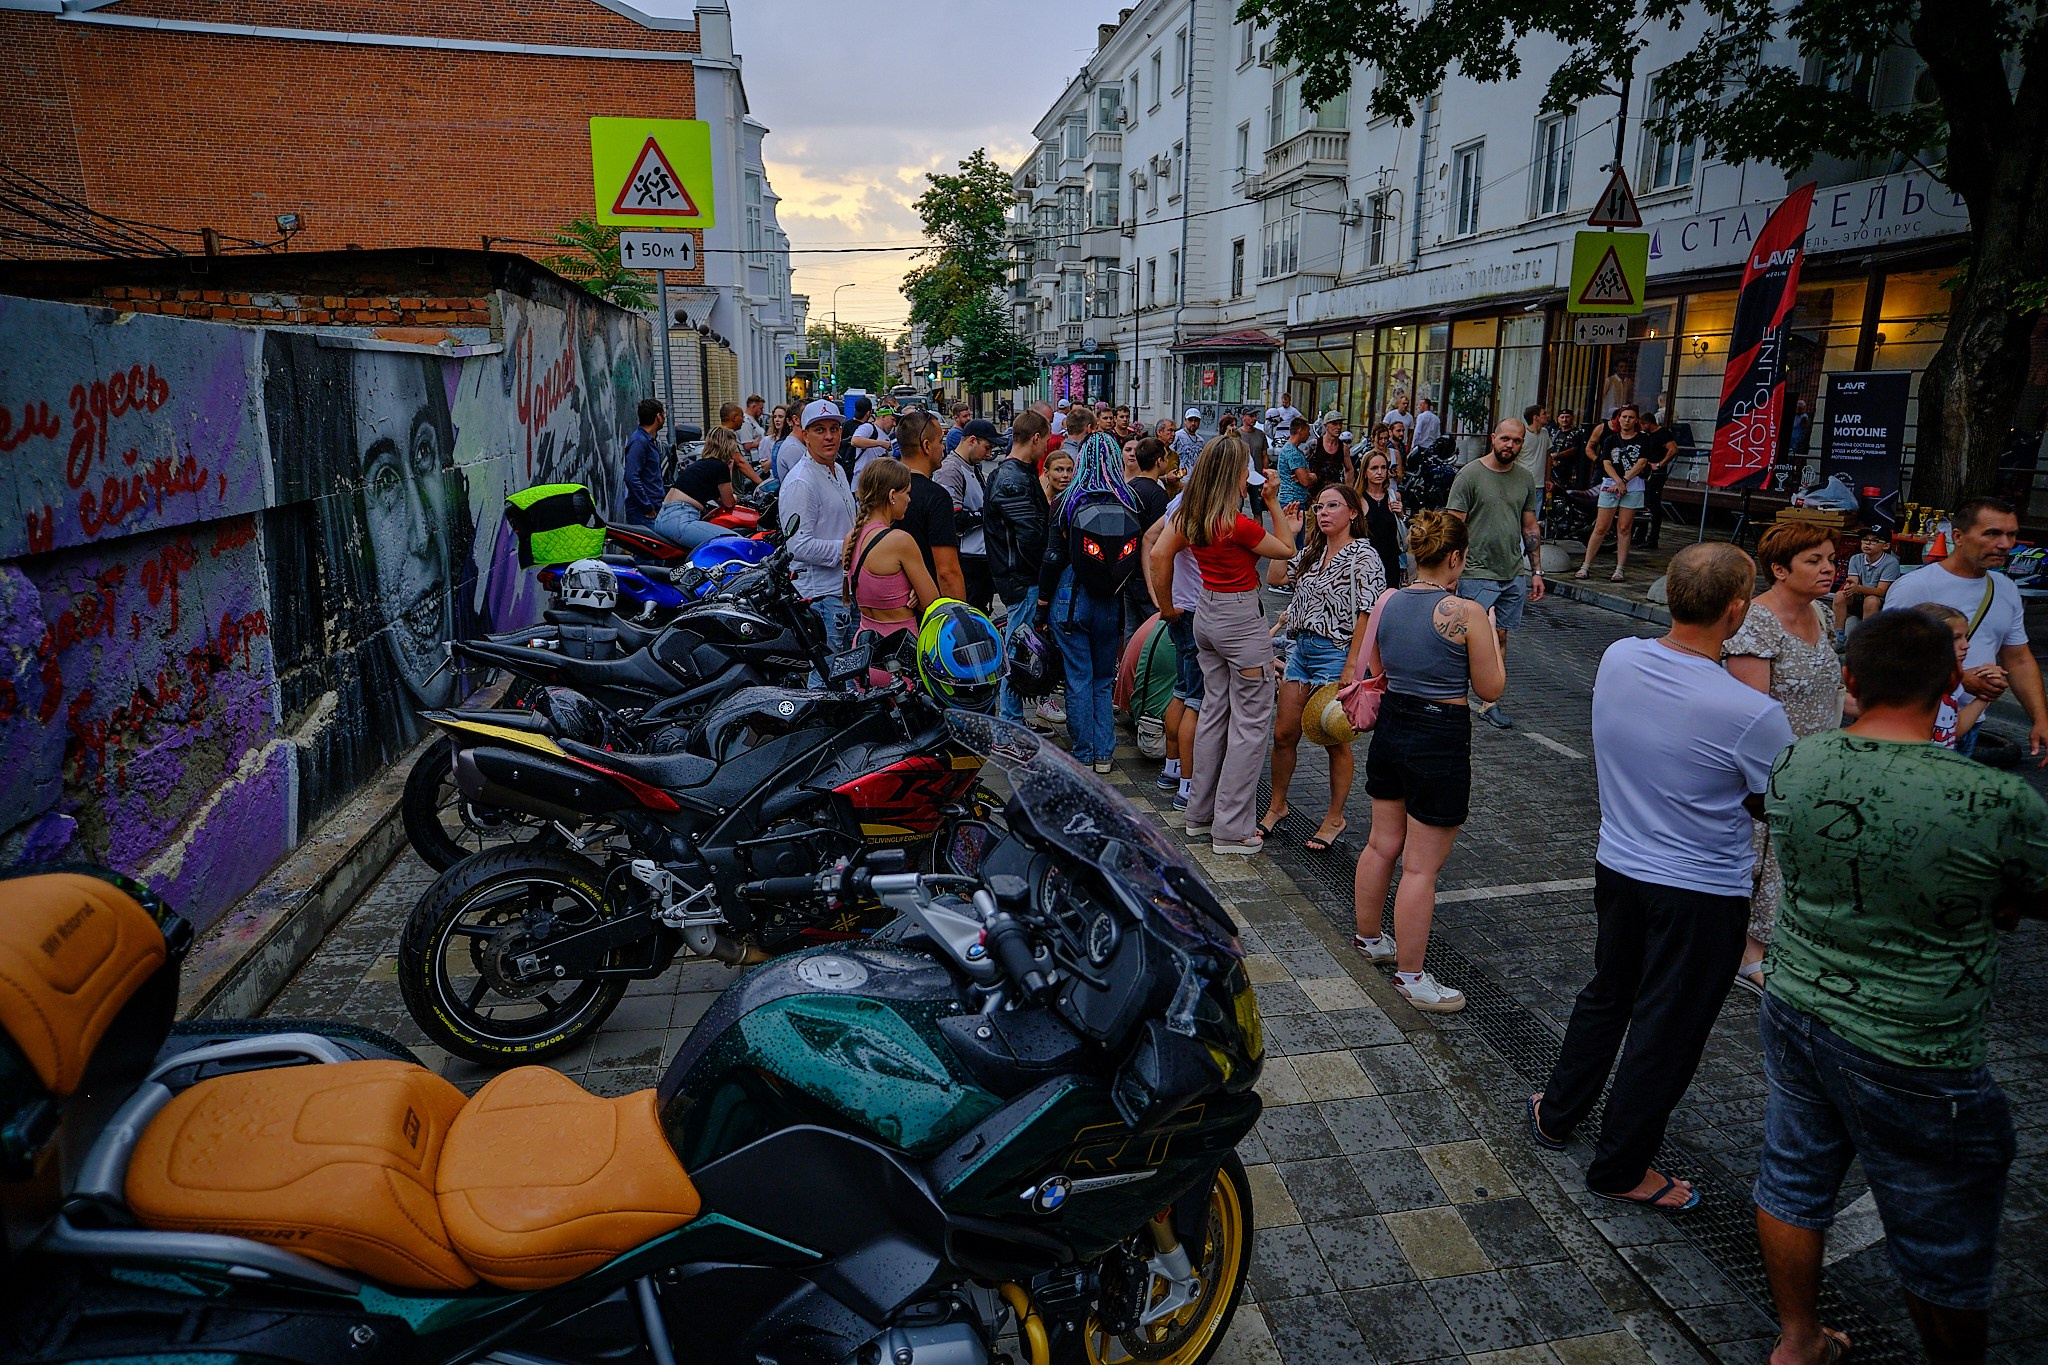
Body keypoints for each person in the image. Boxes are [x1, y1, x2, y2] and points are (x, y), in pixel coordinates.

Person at [1756, 609, 2048, 1365]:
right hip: (1917, 1043)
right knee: (1941, 1233)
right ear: (1952, 680)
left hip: (1796, 1003)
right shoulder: (1993, 800)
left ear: (1850, 680)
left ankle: (1797, 1339)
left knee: (1792, 1178)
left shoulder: (1799, 763)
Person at [1532, 542, 1796, 1210]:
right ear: (1736, 610)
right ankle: (1621, 1167)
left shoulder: (1620, 656)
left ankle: (1557, 1110)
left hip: (1620, 865)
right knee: (1666, 1030)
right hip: (1702, 891)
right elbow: (1777, 800)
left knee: (1608, 993)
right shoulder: (1752, 713)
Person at [1347, 510, 1503, 1012]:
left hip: (1392, 724)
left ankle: (1370, 938)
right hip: (1440, 733)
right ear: (1456, 557)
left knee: (1380, 842)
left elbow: (1374, 668)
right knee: (1420, 868)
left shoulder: (1386, 601)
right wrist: (1494, 638)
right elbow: (1490, 688)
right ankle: (1412, 977)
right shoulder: (1467, 614)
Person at [1148, 436, 1296, 854]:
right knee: (1249, 725)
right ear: (1233, 476)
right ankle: (1231, 829)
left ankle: (1200, 813)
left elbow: (1159, 554)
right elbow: (1285, 549)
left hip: (1206, 615)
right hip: (1240, 617)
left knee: (1213, 712)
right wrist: (1273, 503)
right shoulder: (1237, 523)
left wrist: (1167, 606)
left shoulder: (1190, 514)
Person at [1723, 522, 1845, 995]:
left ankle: (1780, 940)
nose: (1828, 569)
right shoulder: (1755, 622)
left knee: (1795, 862)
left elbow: (1831, 692)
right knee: (1761, 861)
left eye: (1831, 560)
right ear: (1779, 569)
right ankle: (1748, 950)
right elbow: (1751, 713)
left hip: (1821, 759)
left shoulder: (1823, 613)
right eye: (1814, 561)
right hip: (1772, 766)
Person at [1263, 484, 1387, 851]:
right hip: (1301, 650)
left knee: (1334, 739)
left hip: (1336, 652)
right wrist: (1284, 527)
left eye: (1333, 506)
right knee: (1284, 733)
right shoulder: (1312, 552)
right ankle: (1278, 805)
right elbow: (1274, 578)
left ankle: (1335, 816)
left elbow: (1369, 611)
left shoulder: (1363, 556)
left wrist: (1353, 665)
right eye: (1319, 507)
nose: (1323, 512)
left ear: (1353, 513)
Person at [1886, 496, 2048, 762]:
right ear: (1958, 537)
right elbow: (1884, 662)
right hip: (1913, 729)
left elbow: (2018, 659)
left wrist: (2041, 720)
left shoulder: (2006, 588)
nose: (2005, 544)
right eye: (1992, 533)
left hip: (1970, 724)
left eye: (2012, 535)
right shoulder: (1915, 587)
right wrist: (1957, 678)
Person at [1035, 431, 1145, 773]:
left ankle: (1082, 753)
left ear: (1082, 462)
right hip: (1111, 602)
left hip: (1070, 599)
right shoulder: (1130, 501)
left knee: (1077, 678)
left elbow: (1052, 558)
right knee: (1102, 679)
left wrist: (1041, 606)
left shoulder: (1066, 502)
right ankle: (1104, 754)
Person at [1446, 419, 1544, 729]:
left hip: (1512, 570)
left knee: (1500, 634)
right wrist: (1451, 570)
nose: (1510, 445)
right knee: (1471, 635)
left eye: (1516, 441)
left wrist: (1537, 570)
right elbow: (1454, 527)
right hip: (1475, 569)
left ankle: (1490, 700)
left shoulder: (1525, 479)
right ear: (1493, 438)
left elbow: (1529, 527)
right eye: (1505, 439)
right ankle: (1453, 694)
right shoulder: (1470, 475)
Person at [987, 409, 1058, 726]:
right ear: (1036, 438)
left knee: (1018, 650)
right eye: (1045, 441)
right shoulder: (1012, 478)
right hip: (1022, 577)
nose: (1047, 449)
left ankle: (1012, 723)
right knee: (1019, 654)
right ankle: (1010, 728)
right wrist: (1045, 572)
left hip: (1018, 575)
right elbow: (1030, 536)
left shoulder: (1013, 473)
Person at [780, 399, 859, 653]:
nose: (829, 437)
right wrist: (846, 548)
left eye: (834, 429)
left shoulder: (837, 468)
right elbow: (798, 546)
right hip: (824, 595)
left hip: (845, 588)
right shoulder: (801, 482)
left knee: (849, 669)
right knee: (827, 673)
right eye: (819, 430)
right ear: (805, 435)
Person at [843, 458, 941, 649]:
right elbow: (932, 605)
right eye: (907, 493)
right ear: (892, 495)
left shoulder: (850, 538)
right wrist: (915, 593)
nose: (909, 499)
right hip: (899, 652)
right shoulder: (899, 541)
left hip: (864, 648)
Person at [894, 408, 968, 602]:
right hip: (926, 608)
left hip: (890, 602)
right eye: (940, 442)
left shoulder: (885, 489)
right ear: (926, 446)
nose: (943, 448)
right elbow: (947, 572)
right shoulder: (936, 497)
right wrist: (961, 618)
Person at [1575, 404, 1653, 580]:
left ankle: (1619, 568)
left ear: (1636, 420)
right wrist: (1618, 481)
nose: (1626, 420)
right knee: (1601, 526)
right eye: (1624, 417)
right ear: (1618, 419)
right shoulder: (1611, 439)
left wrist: (1624, 480)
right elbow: (1606, 462)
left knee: (1624, 528)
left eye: (1630, 417)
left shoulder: (1642, 439)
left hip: (1633, 484)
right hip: (1611, 482)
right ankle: (1585, 566)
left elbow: (1641, 462)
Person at [937, 418, 997, 612]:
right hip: (967, 559)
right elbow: (952, 519)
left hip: (979, 557)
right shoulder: (951, 469)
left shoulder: (972, 466)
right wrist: (986, 515)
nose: (988, 454)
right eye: (987, 448)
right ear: (972, 440)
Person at [1914, 603, 1993, 749]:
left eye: (1966, 636)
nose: (1966, 645)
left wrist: (1987, 693)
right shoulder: (1904, 684)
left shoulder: (1949, 681)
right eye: (1956, 638)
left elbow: (1952, 730)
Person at [653, 425, 740, 548]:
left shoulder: (701, 465)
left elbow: (719, 499)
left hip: (663, 518)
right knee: (735, 543)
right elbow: (729, 502)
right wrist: (730, 470)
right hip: (681, 518)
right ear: (729, 447)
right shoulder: (720, 467)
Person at [1833, 528, 1903, 640]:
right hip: (1859, 596)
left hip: (1880, 602)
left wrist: (1857, 588)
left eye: (1874, 541)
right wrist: (1850, 587)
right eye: (1865, 539)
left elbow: (1881, 591)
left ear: (1885, 546)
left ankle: (1865, 637)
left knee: (1871, 600)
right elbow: (1852, 582)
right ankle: (1838, 635)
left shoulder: (1891, 563)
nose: (1868, 543)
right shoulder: (1856, 558)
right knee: (1840, 596)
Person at [1355, 446, 1405, 588]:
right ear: (1365, 472)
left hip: (1390, 562)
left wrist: (1401, 515)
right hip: (1365, 564)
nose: (1380, 472)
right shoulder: (1357, 499)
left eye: (1383, 468)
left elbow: (1402, 532)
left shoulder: (1394, 496)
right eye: (1374, 468)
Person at [623, 397, 666, 527]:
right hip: (643, 514)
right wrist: (647, 506)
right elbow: (631, 477)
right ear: (658, 416)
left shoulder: (648, 441)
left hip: (653, 508)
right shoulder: (639, 442)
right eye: (663, 414)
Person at [1275, 416, 1315, 513]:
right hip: (1293, 503)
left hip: (1291, 501)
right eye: (1307, 431)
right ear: (1300, 430)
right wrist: (1314, 477)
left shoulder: (1296, 451)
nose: (1309, 434)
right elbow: (1305, 480)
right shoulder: (1293, 453)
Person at [1310, 421, 1351, 493]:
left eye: (1340, 424)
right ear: (1326, 426)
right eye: (1334, 424)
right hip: (1314, 490)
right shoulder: (1315, 444)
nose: (1338, 427)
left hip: (1335, 490)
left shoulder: (1343, 447)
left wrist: (1348, 490)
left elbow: (1349, 469)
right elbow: (1302, 464)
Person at [1518, 404, 1552, 487]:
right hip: (1522, 483)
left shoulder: (1545, 432)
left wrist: (1548, 479)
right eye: (1544, 414)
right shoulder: (1522, 435)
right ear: (1535, 417)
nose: (1547, 416)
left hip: (1539, 484)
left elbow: (1548, 456)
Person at [737, 394, 768, 467]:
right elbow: (747, 445)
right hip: (750, 461)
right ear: (753, 406)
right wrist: (764, 442)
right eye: (760, 408)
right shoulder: (746, 421)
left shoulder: (753, 420)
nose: (762, 411)